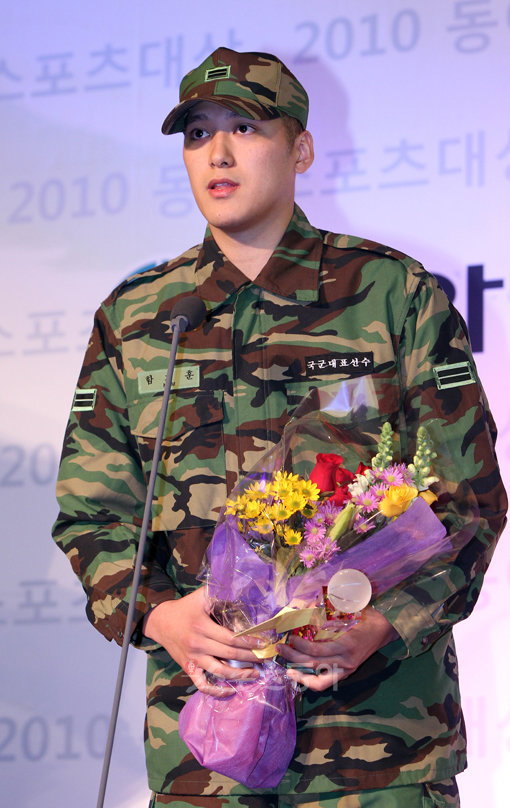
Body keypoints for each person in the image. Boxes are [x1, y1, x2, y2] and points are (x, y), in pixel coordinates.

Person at [52, 48, 507, 808]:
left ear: (301, 149)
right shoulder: (139, 317)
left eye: (245, 127)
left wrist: (382, 622)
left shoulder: (392, 294)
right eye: (198, 133)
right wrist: (161, 616)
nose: (217, 153)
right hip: (205, 752)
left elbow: (469, 502)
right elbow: (93, 516)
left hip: (378, 746)